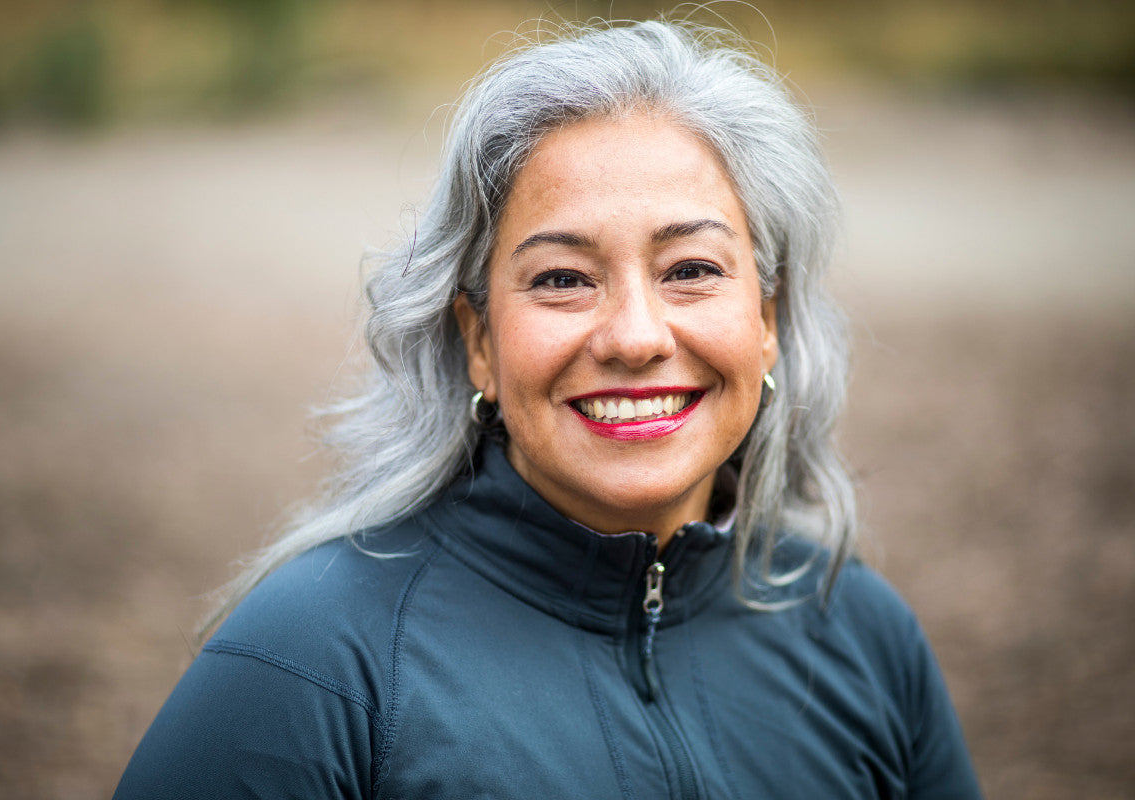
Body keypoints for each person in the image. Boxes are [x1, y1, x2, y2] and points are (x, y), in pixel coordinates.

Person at [115, 19, 981, 799]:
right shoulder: (313, 662)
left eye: (691, 270)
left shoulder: (863, 636)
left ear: (766, 321)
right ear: (478, 340)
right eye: (562, 279)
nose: (637, 337)